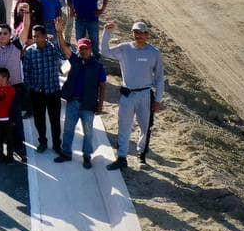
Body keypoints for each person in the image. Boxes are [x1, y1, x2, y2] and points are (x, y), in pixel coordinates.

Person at [102, 20, 165, 169]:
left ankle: (141, 155)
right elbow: (104, 51)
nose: (138, 35)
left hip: (145, 95)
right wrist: (107, 33)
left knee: (145, 127)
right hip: (127, 94)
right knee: (124, 126)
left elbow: (159, 78)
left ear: (147, 34)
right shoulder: (125, 48)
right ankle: (122, 158)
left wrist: (158, 100)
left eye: (141, 33)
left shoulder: (154, 53)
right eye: (135, 32)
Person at [53, 35, 107, 169]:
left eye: (86, 48)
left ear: (91, 49)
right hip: (73, 102)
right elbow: (64, 48)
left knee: (88, 133)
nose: (83, 51)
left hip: (88, 104)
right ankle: (66, 153)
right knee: (68, 129)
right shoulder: (75, 61)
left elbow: (103, 85)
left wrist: (100, 105)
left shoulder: (98, 66)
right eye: (81, 48)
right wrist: (59, 33)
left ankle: (87, 156)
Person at [0, 19, 27, 160]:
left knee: (15, 120)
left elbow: (25, 28)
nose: (2, 35)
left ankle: (19, 148)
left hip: (15, 89)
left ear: (10, 35)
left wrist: (26, 14)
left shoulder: (16, 46)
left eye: (5, 33)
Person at [22, 22, 65, 156]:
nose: (35, 39)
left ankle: (57, 145)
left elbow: (63, 55)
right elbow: (26, 72)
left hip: (53, 91)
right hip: (37, 93)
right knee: (39, 120)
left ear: (45, 36)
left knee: (55, 120)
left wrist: (59, 33)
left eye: (38, 36)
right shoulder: (29, 52)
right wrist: (32, 88)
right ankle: (43, 142)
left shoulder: (52, 48)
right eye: (34, 36)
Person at [0, 67, 17, 163]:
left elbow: (15, 107)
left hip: (8, 120)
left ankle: (9, 157)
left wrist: (13, 120)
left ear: (4, 78)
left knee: (9, 140)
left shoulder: (12, 90)